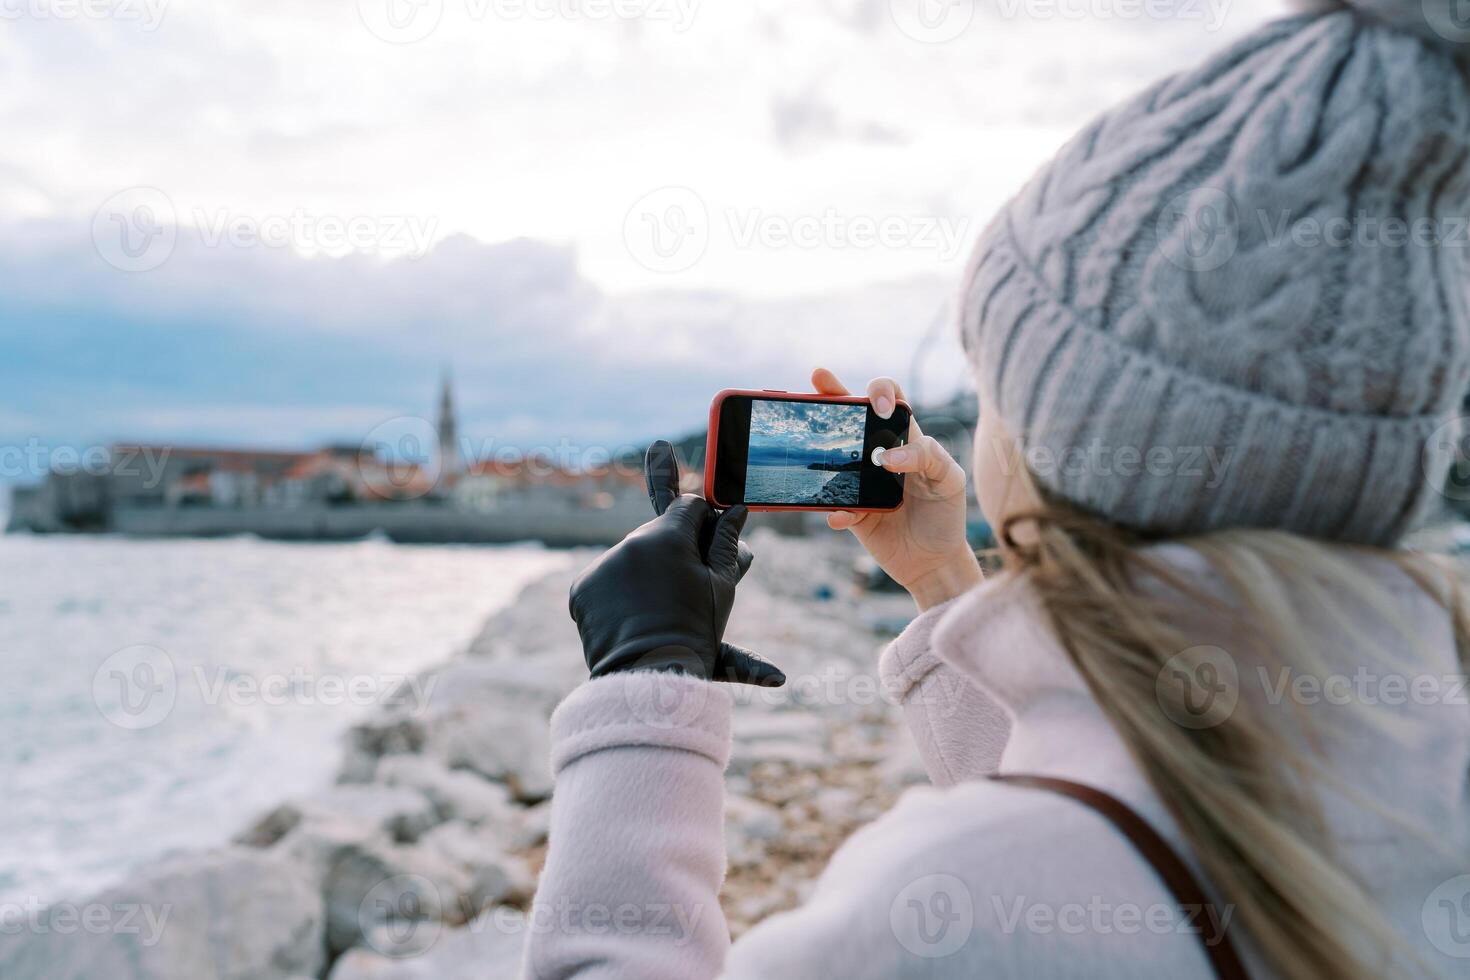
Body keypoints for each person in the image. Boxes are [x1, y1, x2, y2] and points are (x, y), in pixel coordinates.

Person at [524, 1, 1470, 976]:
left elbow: (1063, 869)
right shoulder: (1413, 751)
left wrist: (643, 687)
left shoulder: (951, 896)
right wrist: (942, 579)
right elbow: (1125, 809)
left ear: (1063, 442)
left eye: (995, 382)